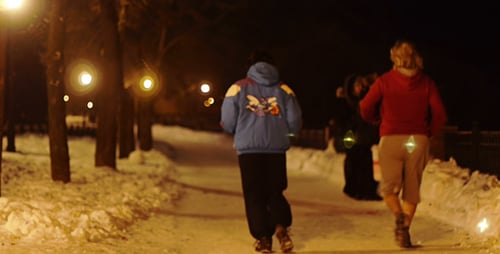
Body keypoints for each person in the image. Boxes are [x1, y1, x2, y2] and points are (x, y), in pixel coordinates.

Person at [359, 40, 447, 248]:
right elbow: (440, 114)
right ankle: (405, 229)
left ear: (395, 59)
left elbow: (365, 106)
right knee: (412, 187)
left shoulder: (384, 81)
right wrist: (428, 133)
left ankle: (398, 215)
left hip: (391, 138)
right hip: (416, 141)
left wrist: (375, 121)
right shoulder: (426, 83)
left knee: (389, 188)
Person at [220, 49, 302, 253]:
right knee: (275, 190)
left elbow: (228, 121)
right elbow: (295, 121)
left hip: (249, 150)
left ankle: (263, 237)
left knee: (254, 194)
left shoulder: (237, 88)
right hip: (276, 148)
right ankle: (281, 227)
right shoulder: (284, 89)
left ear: (250, 66)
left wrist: (233, 128)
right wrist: (287, 132)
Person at [340, 73, 382, 201]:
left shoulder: (364, 97)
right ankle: (355, 189)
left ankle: (365, 190)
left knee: (364, 161)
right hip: (354, 135)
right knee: (354, 160)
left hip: (363, 136)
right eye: (357, 85)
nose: (360, 87)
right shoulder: (351, 103)